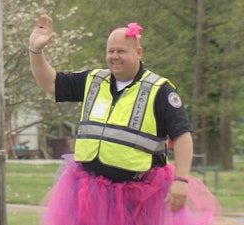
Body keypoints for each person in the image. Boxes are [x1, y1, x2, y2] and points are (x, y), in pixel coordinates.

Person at [29, 14, 220, 225]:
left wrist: (181, 180)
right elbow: (51, 84)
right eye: (110, 51)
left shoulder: (160, 90)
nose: (114, 56)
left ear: (138, 53)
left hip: (139, 197)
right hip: (89, 193)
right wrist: (36, 50)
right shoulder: (94, 80)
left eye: (121, 51)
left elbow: (183, 136)